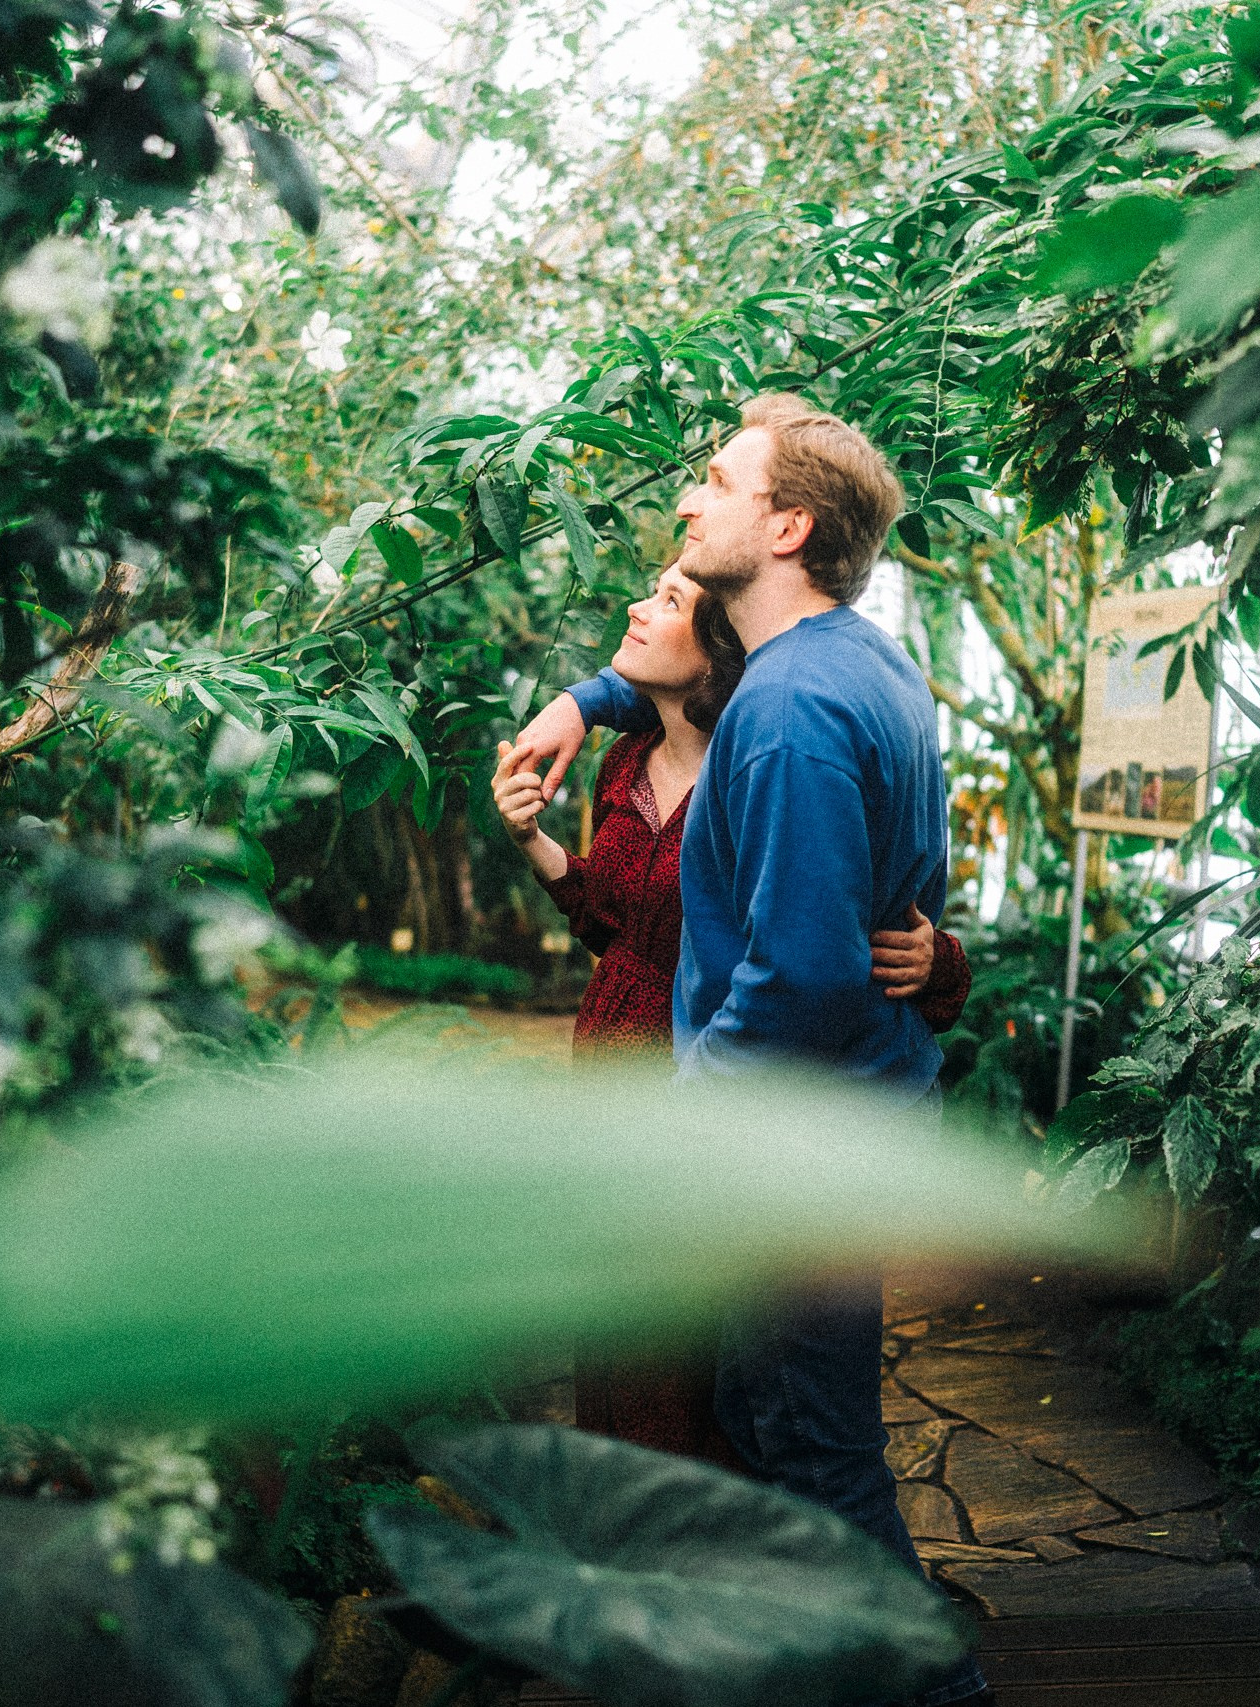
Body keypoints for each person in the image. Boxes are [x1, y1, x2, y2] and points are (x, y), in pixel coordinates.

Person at [507, 396, 992, 1707]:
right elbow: (675, 670)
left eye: (716, 484)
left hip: (793, 1145)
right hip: (839, 1124)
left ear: (788, 525)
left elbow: (806, 974)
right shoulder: (863, 663)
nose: (685, 504)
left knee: (814, 1454)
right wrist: (582, 694)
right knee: (776, 1428)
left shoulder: (782, 714)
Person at [492, 561, 971, 1468]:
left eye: (667, 601)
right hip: (612, 1059)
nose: (636, 607)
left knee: (703, 1345)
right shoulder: (623, 761)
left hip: (710, 1073)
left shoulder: (773, 765)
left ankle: (705, 1541)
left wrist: (938, 959)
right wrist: (537, 844)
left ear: (714, 650)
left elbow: (827, 954)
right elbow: (611, 924)